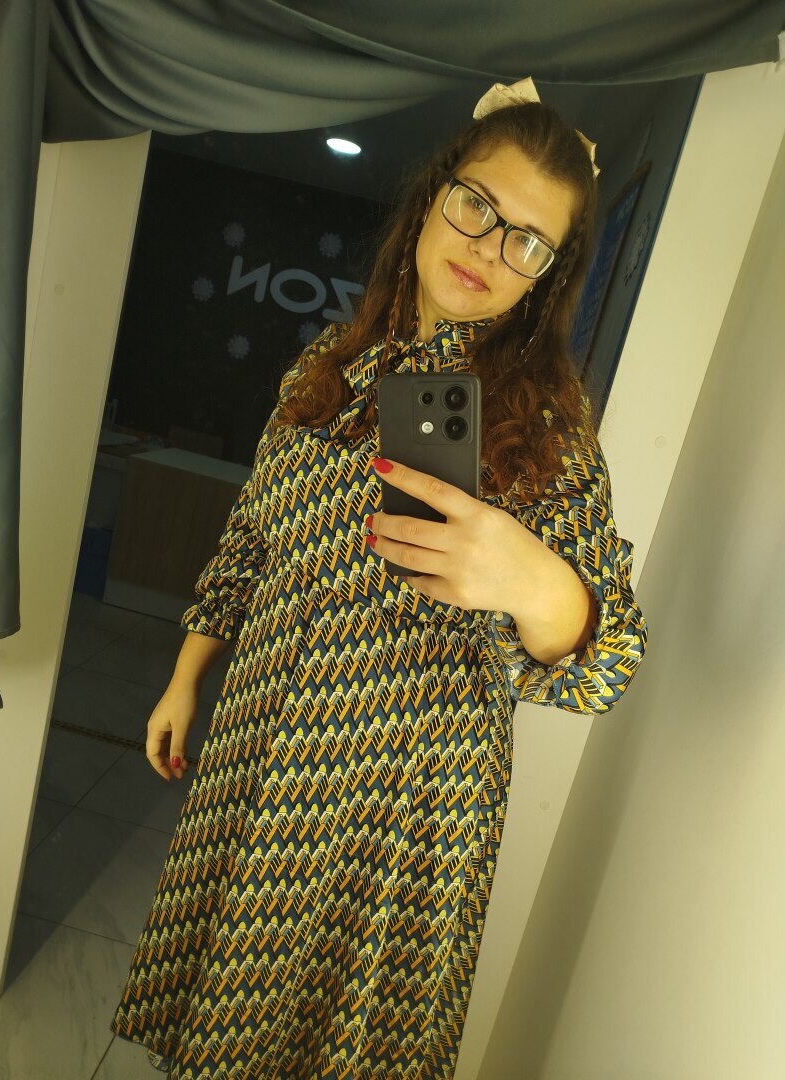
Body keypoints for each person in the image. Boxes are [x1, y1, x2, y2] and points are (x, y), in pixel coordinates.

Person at [110, 76, 648, 1078]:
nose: (489, 248)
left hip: (401, 802)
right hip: (263, 741)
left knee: (338, 1048)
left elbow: (609, 661)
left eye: (528, 242)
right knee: (226, 1020)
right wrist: (187, 676)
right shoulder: (331, 363)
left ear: (548, 276)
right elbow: (251, 539)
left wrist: (536, 581)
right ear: (436, 193)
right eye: (478, 205)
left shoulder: (548, 428)